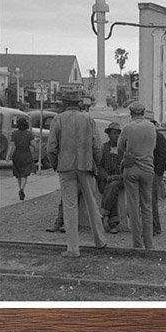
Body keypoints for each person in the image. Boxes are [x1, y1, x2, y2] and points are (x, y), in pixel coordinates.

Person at [45, 88, 106, 257]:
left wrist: (56, 164)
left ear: (64, 104)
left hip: (65, 167)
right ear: (79, 104)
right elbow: (98, 147)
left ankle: (73, 249)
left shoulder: (59, 119)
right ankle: (100, 241)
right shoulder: (88, 119)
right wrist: (95, 163)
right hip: (85, 166)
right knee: (92, 203)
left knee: (70, 206)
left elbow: (51, 148)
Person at [118, 101, 157, 250]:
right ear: (143, 112)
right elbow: (152, 147)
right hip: (148, 169)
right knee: (147, 207)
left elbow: (121, 147)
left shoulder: (128, 128)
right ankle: (149, 243)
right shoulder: (151, 127)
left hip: (132, 168)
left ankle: (137, 243)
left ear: (131, 113)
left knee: (133, 207)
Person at [97, 122, 124, 233]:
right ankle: (112, 223)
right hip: (107, 180)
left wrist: (119, 176)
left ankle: (102, 214)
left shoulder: (123, 149)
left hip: (120, 179)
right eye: (114, 133)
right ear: (109, 135)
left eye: (118, 134)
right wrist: (106, 176)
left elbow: (126, 166)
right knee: (111, 188)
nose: (116, 136)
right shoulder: (104, 148)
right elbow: (99, 165)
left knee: (112, 186)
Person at [148, 114, 166, 236]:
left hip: (154, 173)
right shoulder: (150, 137)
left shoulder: (159, 137)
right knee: (150, 200)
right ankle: (154, 226)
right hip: (150, 172)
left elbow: (163, 157)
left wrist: (157, 173)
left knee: (151, 200)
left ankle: (155, 227)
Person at [8, 116, 35, 202]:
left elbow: (12, 145)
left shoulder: (14, 134)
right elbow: (34, 144)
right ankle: (22, 189)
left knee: (18, 174)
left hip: (17, 154)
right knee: (25, 173)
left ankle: (20, 188)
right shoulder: (29, 134)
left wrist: (8, 155)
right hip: (26, 154)